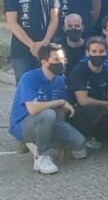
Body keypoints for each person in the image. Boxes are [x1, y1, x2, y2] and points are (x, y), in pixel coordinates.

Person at [9, 43, 86, 174]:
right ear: (44, 62)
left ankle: (37, 143)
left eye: (62, 59)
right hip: (23, 124)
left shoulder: (59, 80)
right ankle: (41, 156)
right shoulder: (29, 77)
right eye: (56, 59)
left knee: (79, 142)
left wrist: (63, 113)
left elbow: (60, 111)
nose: (61, 63)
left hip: (49, 122)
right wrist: (60, 102)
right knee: (48, 113)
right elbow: (32, 109)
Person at [4, 0, 59, 82]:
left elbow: (54, 18)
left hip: (47, 50)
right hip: (22, 51)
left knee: (48, 85)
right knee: (25, 87)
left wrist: (45, 42)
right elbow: (12, 22)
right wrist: (32, 45)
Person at [67, 36, 108, 149]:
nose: (98, 55)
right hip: (78, 111)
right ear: (87, 53)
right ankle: (83, 136)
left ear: (106, 52)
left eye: (101, 51)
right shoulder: (79, 70)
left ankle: (97, 137)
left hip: (100, 108)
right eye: (94, 51)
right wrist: (107, 104)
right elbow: (83, 100)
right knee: (95, 108)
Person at [62, 13, 86, 79]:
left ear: (82, 28)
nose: (73, 28)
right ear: (64, 28)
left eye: (77, 26)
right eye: (70, 26)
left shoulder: (90, 46)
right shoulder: (58, 47)